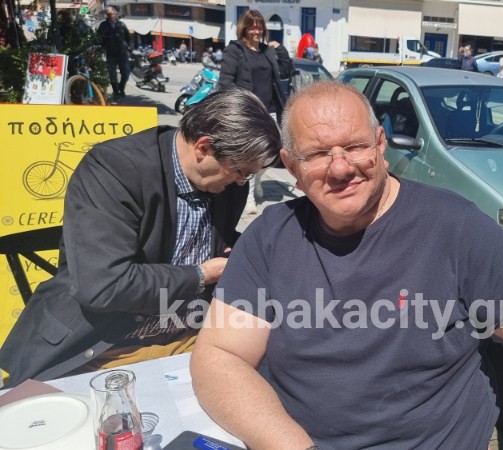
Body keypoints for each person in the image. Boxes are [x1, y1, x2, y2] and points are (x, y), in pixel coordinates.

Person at [190, 81, 503, 449]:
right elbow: (221, 355)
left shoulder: (453, 226)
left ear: (380, 144)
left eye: (355, 146)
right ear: (291, 166)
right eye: (317, 154)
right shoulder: (270, 236)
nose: (341, 168)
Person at [0, 90, 282, 388]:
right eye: (240, 171)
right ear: (204, 147)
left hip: (189, 333)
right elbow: (103, 286)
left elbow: (210, 239)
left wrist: (242, 251)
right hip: (102, 343)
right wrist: (202, 274)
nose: (240, 182)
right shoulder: (114, 169)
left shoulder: (227, 185)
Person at [219, 9, 292, 215]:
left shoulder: (267, 51)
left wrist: (281, 49)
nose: (257, 31)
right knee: (251, 155)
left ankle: (258, 179)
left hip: (270, 111)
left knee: (272, 154)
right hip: (249, 111)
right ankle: (248, 196)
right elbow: (225, 82)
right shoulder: (235, 50)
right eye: (252, 27)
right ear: (244, 28)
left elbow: (285, 71)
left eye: (260, 27)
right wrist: (243, 102)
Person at [97, 6, 130, 100]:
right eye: (108, 14)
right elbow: (98, 38)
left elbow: (128, 37)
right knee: (112, 74)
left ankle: (121, 88)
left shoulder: (121, 25)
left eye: (111, 13)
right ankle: (116, 92)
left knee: (126, 73)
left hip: (122, 53)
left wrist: (128, 48)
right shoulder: (103, 25)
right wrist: (102, 46)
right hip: (110, 53)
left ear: (115, 14)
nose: (110, 15)